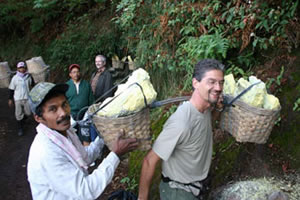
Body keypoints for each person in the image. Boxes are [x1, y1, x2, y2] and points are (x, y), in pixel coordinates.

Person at [27, 82, 139, 200]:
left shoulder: (66, 132)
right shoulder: (46, 152)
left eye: (64, 104)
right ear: (39, 118)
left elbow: (85, 157)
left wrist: (102, 138)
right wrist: (115, 154)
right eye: (53, 109)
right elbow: (85, 190)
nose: (63, 113)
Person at [138, 59, 225, 200]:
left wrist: (219, 109)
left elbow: (205, 126)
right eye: (211, 81)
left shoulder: (206, 108)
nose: (218, 87)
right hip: (178, 192)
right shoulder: (181, 121)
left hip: (198, 187)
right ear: (195, 83)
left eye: (221, 82)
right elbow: (149, 160)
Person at [66, 64, 94, 146]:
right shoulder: (67, 86)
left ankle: (88, 156)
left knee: (86, 138)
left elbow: (91, 100)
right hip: (72, 115)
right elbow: (64, 102)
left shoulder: (86, 85)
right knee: (72, 139)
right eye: (74, 72)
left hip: (84, 115)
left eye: (78, 72)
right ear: (70, 74)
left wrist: (90, 113)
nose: (76, 74)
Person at [8, 61, 35, 136]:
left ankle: (23, 119)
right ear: (18, 69)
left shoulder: (29, 77)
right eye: (20, 68)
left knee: (28, 112)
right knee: (18, 114)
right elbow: (11, 89)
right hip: (18, 99)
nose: (22, 69)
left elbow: (33, 85)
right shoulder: (15, 78)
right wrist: (10, 99)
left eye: (23, 67)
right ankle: (20, 128)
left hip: (27, 97)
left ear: (25, 68)